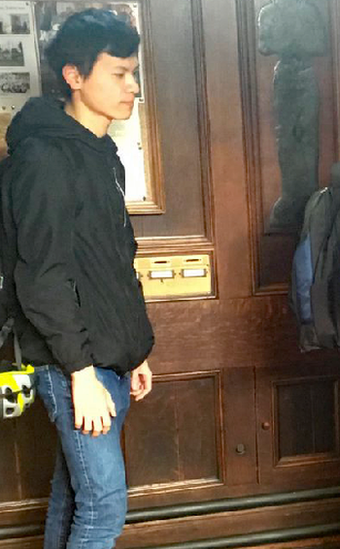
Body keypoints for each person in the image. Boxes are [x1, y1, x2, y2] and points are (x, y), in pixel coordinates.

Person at [0, 9, 154, 548]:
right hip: (71, 363)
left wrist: (134, 349)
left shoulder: (100, 152)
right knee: (104, 504)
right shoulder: (44, 157)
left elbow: (112, 262)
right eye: (118, 73)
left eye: (133, 73)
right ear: (74, 75)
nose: (132, 86)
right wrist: (81, 373)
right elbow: (40, 277)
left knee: (76, 495)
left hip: (106, 356)